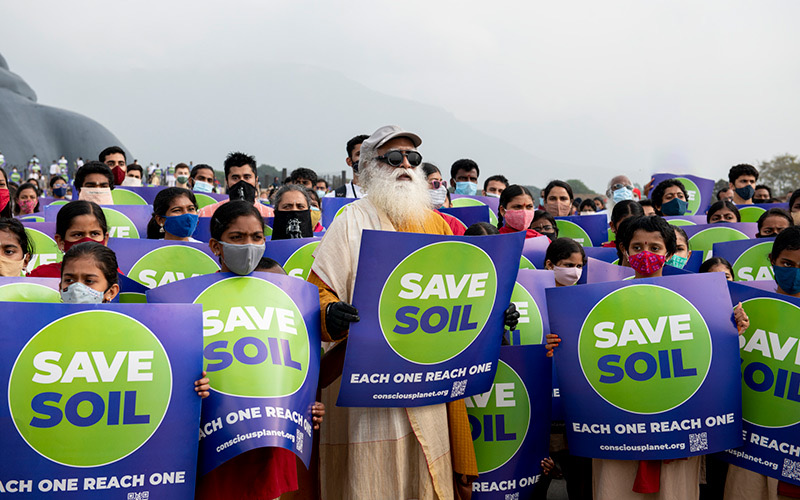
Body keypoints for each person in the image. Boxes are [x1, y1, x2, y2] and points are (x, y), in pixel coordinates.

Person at [307, 125, 517, 498]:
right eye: (394, 157)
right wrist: (331, 314)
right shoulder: (349, 222)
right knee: (369, 479)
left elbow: (465, 291)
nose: (406, 164)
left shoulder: (437, 225)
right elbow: (318, 293)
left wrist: (495, 310)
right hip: (367, 389)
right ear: (370, 167)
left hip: (427, 383)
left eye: (413, 158)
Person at [546, 215, 749, 499]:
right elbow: (583, 354)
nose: (646, 254)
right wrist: (562, 344)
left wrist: (733, 327)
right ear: (625, 252)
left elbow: (711, 352)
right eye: (637, 246)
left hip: (677, 427)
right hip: (616, 428)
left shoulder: (697, 298)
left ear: (667, 252)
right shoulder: (601, 301)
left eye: (654, 247)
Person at [724, 226, 800, 499]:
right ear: (772, 261)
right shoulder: (743, 308)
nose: (795, 273)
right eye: (788, 264)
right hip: (749, 446)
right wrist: (731, 330)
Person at [28, 201, 109, 278]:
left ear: (105, 239)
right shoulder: (42, 276)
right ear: (60, 241)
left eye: (94, 234)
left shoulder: (112, 275)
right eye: (78, 234)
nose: (87, 241)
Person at [198, 152, 274, 218]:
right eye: (235, 178)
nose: (241, 182)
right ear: (227, 181)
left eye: (247, 177)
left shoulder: (271, 215)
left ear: (256, 180)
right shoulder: (206, 214)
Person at [422, 162, 464, 235]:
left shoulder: (451, 223)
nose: (441, 188)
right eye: (435, 183)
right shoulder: (401, 220)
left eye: (442, 183)